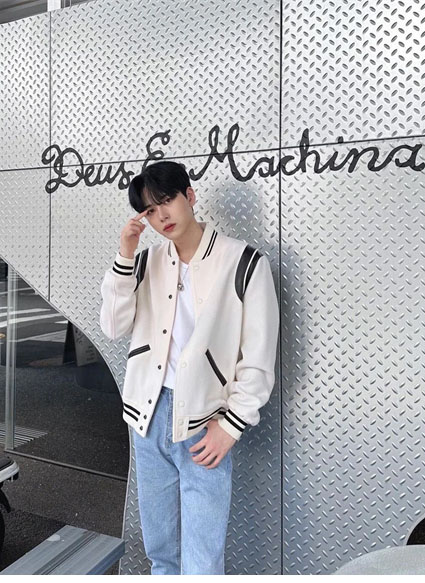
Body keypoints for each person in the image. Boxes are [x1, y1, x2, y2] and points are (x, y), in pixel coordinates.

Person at [100, 161, 279, 575]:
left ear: (190, 196)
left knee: (201, 561)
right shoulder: (144, 262)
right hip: (147, 418)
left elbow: (258, 357)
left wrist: (231, 426)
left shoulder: (243, 262)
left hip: (203, 420)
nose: (161, 216)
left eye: (167, 201)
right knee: (161, 552)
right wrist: (125, 254)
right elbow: (112, 325)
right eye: (149, 210)